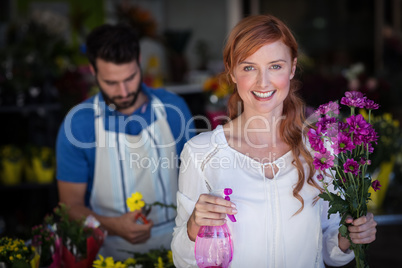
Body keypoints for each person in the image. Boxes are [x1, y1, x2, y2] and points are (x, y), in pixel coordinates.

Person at [171, 14, 377, 267]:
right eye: (249, 67)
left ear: (292, 68)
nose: (263, 82)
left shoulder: (321, 147)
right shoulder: (201, 152)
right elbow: (182, 260)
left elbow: (327, 247)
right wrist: (194, 227)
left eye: (275, 66)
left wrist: (349, 237)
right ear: (232, 72)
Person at [56, 23, 195, 260]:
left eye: (130, 78)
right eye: (111, 82)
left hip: (177, 249)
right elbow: (70, 207)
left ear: (139, 60)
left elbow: (198, 183)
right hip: (109, 254)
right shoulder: (79, 124)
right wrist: (112, 225)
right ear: (92, 70)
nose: (123, 91)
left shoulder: (173, 109)